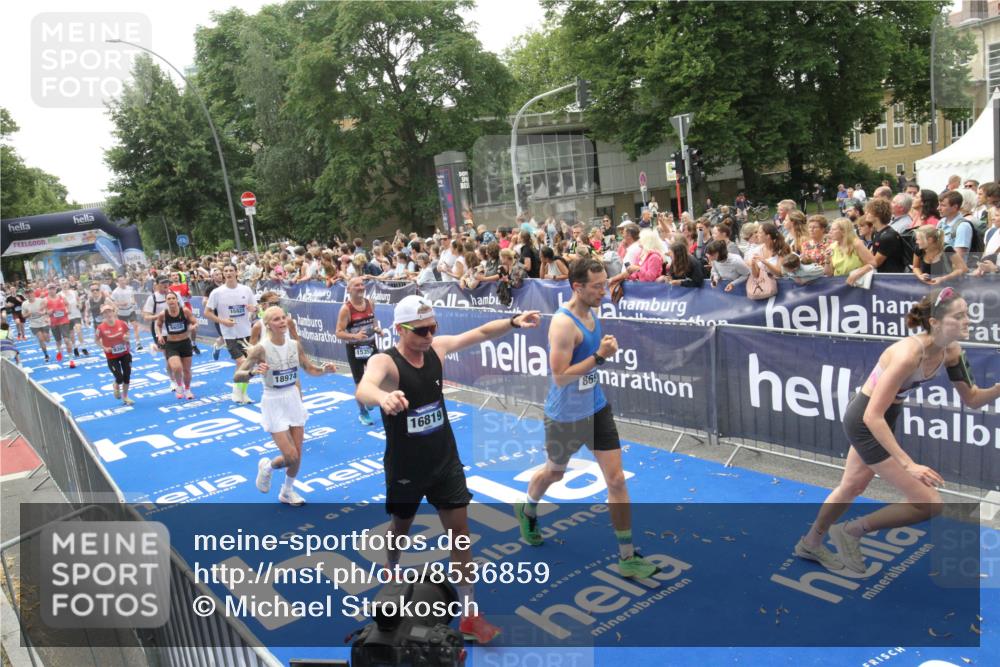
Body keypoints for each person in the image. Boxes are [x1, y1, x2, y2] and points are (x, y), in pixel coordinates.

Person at [356, 295, 541, 644]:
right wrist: (383, 398)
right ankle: (391, 572)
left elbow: (481, 332)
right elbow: (364, 387)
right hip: (406, 466)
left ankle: (470, 612)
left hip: (444, 461)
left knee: (460, 534)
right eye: (421, 330)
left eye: (433, 328)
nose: (429, 335)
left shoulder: (437, 350)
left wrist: (514, 321)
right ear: (400, 329)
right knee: (400, 528)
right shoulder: (387, 362)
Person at [796, 288, 1000, 573]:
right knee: (928, 503)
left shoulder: (952, 351)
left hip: (883, 417)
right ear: (935, 323)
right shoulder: (908, 354)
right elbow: (871, 415)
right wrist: (909, 464)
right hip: (866, 420)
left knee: (852, 486)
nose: (968, 321)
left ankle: (811, 542)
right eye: (959, 316)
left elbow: (974, 399)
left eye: (967, 314)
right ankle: (851, 531)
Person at [514, 259, 659, 580]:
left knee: (617, 479)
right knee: (554, 473)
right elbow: (561, 376)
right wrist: (599, 357)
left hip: (596, 409)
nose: (604, 292)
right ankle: (527, 509)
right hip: (564, 416)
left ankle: (626, 556)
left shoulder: (592, 312)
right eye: (597, 286)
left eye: (605, 284)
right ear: (576, 287)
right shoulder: (563, 324)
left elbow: (589, 366)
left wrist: (598, 359)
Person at [238, 306, 338, 506]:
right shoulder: (261, 349)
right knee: (290, 456)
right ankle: (268, 466)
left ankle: (287, 491)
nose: (282, 321)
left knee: (298, 453)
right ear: (268, 325)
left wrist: (324, 370)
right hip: (273, 400)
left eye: (284, 317)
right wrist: (254, 372)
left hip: (292, 397)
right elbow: (238, 374)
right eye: (276, 319)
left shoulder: (294, 345)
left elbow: (310, 369)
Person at [205, 264, 258, 403]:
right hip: (229, 333)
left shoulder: (245, 290)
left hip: (246, 332)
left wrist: (254, 309)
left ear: (236, 273)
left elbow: (255, 308)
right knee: (242, 362)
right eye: (226, 271)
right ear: (223, 274)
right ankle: (238, 391)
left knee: (245, 365)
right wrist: (222, 321)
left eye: (231, 270)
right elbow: (207, 312)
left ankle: (241, 392)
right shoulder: (217, 292)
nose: (228, 273)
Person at [336, 277, 383, 426]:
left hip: (370, 346)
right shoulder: (346, 309)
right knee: (360, 382)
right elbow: (338, 332)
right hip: (355, 349)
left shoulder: (370, 303)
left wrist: (376, 328)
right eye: (356, 285)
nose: (361, 287)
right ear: (349, 290)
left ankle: (368, 396)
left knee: (378, 376)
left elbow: (373, 320)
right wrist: (354, 336)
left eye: (362, 285)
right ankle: (363, 412)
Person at [153, 292, 199, 400]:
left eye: (173, 298)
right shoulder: (163, 314)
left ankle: (187, 389)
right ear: (166, 301)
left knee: (187, 370)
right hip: (171, 344)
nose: (171, 300)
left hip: (185, 343)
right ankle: (179, 385)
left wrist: (194, 326)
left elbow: (195, 322)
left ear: (177, 300)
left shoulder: (185, 311)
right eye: (169, 298)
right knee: (177, 367)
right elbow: (158, 325)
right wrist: (159, 335)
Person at [96, 303, 135, 405]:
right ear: (103, 315)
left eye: (109, 311)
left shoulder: (122, 323)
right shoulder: (100, 328)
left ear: (114, 312)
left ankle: (125, 397)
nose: (108, 314)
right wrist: (104, 348)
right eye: (105, 312)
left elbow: (128, 333)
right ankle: (116, 384)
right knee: (119, 378)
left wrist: (127, 337)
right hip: (112, 356)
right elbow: (96, 340)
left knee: (127, 376)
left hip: (125, 353)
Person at [111, 275, 144, 351]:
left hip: (131, 310)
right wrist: (120, 304)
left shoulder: (130, 288)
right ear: (118, 282)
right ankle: (127, 344)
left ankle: (138, 343)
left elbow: (132, 296)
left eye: (123, 280)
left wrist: (133, 301)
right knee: (125, 330)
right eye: (120, 281)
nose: (122, 282)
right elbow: (112, 302)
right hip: (122, 313)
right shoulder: (115, 292)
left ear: (125, 280)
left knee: (135, 326)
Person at [45, 284, 75, 367]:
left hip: (64, 321)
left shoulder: (61, 297)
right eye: (50, 289)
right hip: (54, 323)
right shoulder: (45, 300)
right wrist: (47, 313)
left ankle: (71, 360)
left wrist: (68, 310)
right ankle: (59, 351)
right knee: (58, 341)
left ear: (56, 289)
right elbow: (42, 311)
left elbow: (67, 304)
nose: (52, 290)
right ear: (48, 290)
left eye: (53, 288)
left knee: (66, 340)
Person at [21, 291, 51, 362]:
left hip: (44, 323)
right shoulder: (24, 304)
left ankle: (46, 340)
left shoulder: (40, 300)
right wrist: (28, 314)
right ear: (26, 295)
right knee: (41, 339)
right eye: (27, 294)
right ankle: (46, 355)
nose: (29, 295)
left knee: (47, 340)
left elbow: (47, 310)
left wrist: (46, 316)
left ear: (33, 294)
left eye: (30, 293)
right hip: (34, 325)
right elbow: (23, 316)